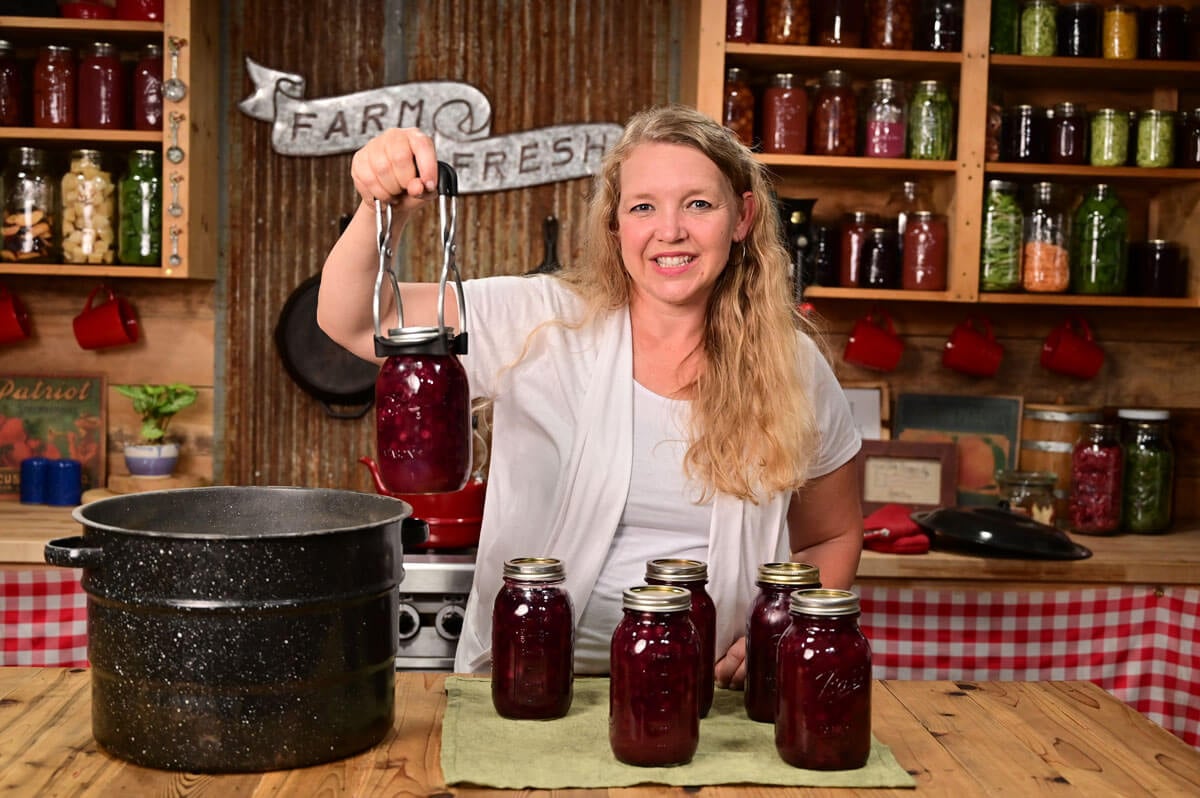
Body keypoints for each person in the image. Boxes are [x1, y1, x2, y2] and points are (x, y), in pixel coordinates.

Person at [318, 104, 863, 686]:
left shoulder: (791, 367)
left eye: (699, 204)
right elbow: (353, 320)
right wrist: (382, 208)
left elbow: (830, 535)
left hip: (712, 697)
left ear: (742, 216)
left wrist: (786, 631)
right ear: (615, 225)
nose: (670, 230)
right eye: (643, 207)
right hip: (527, 691)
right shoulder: (537, 321)